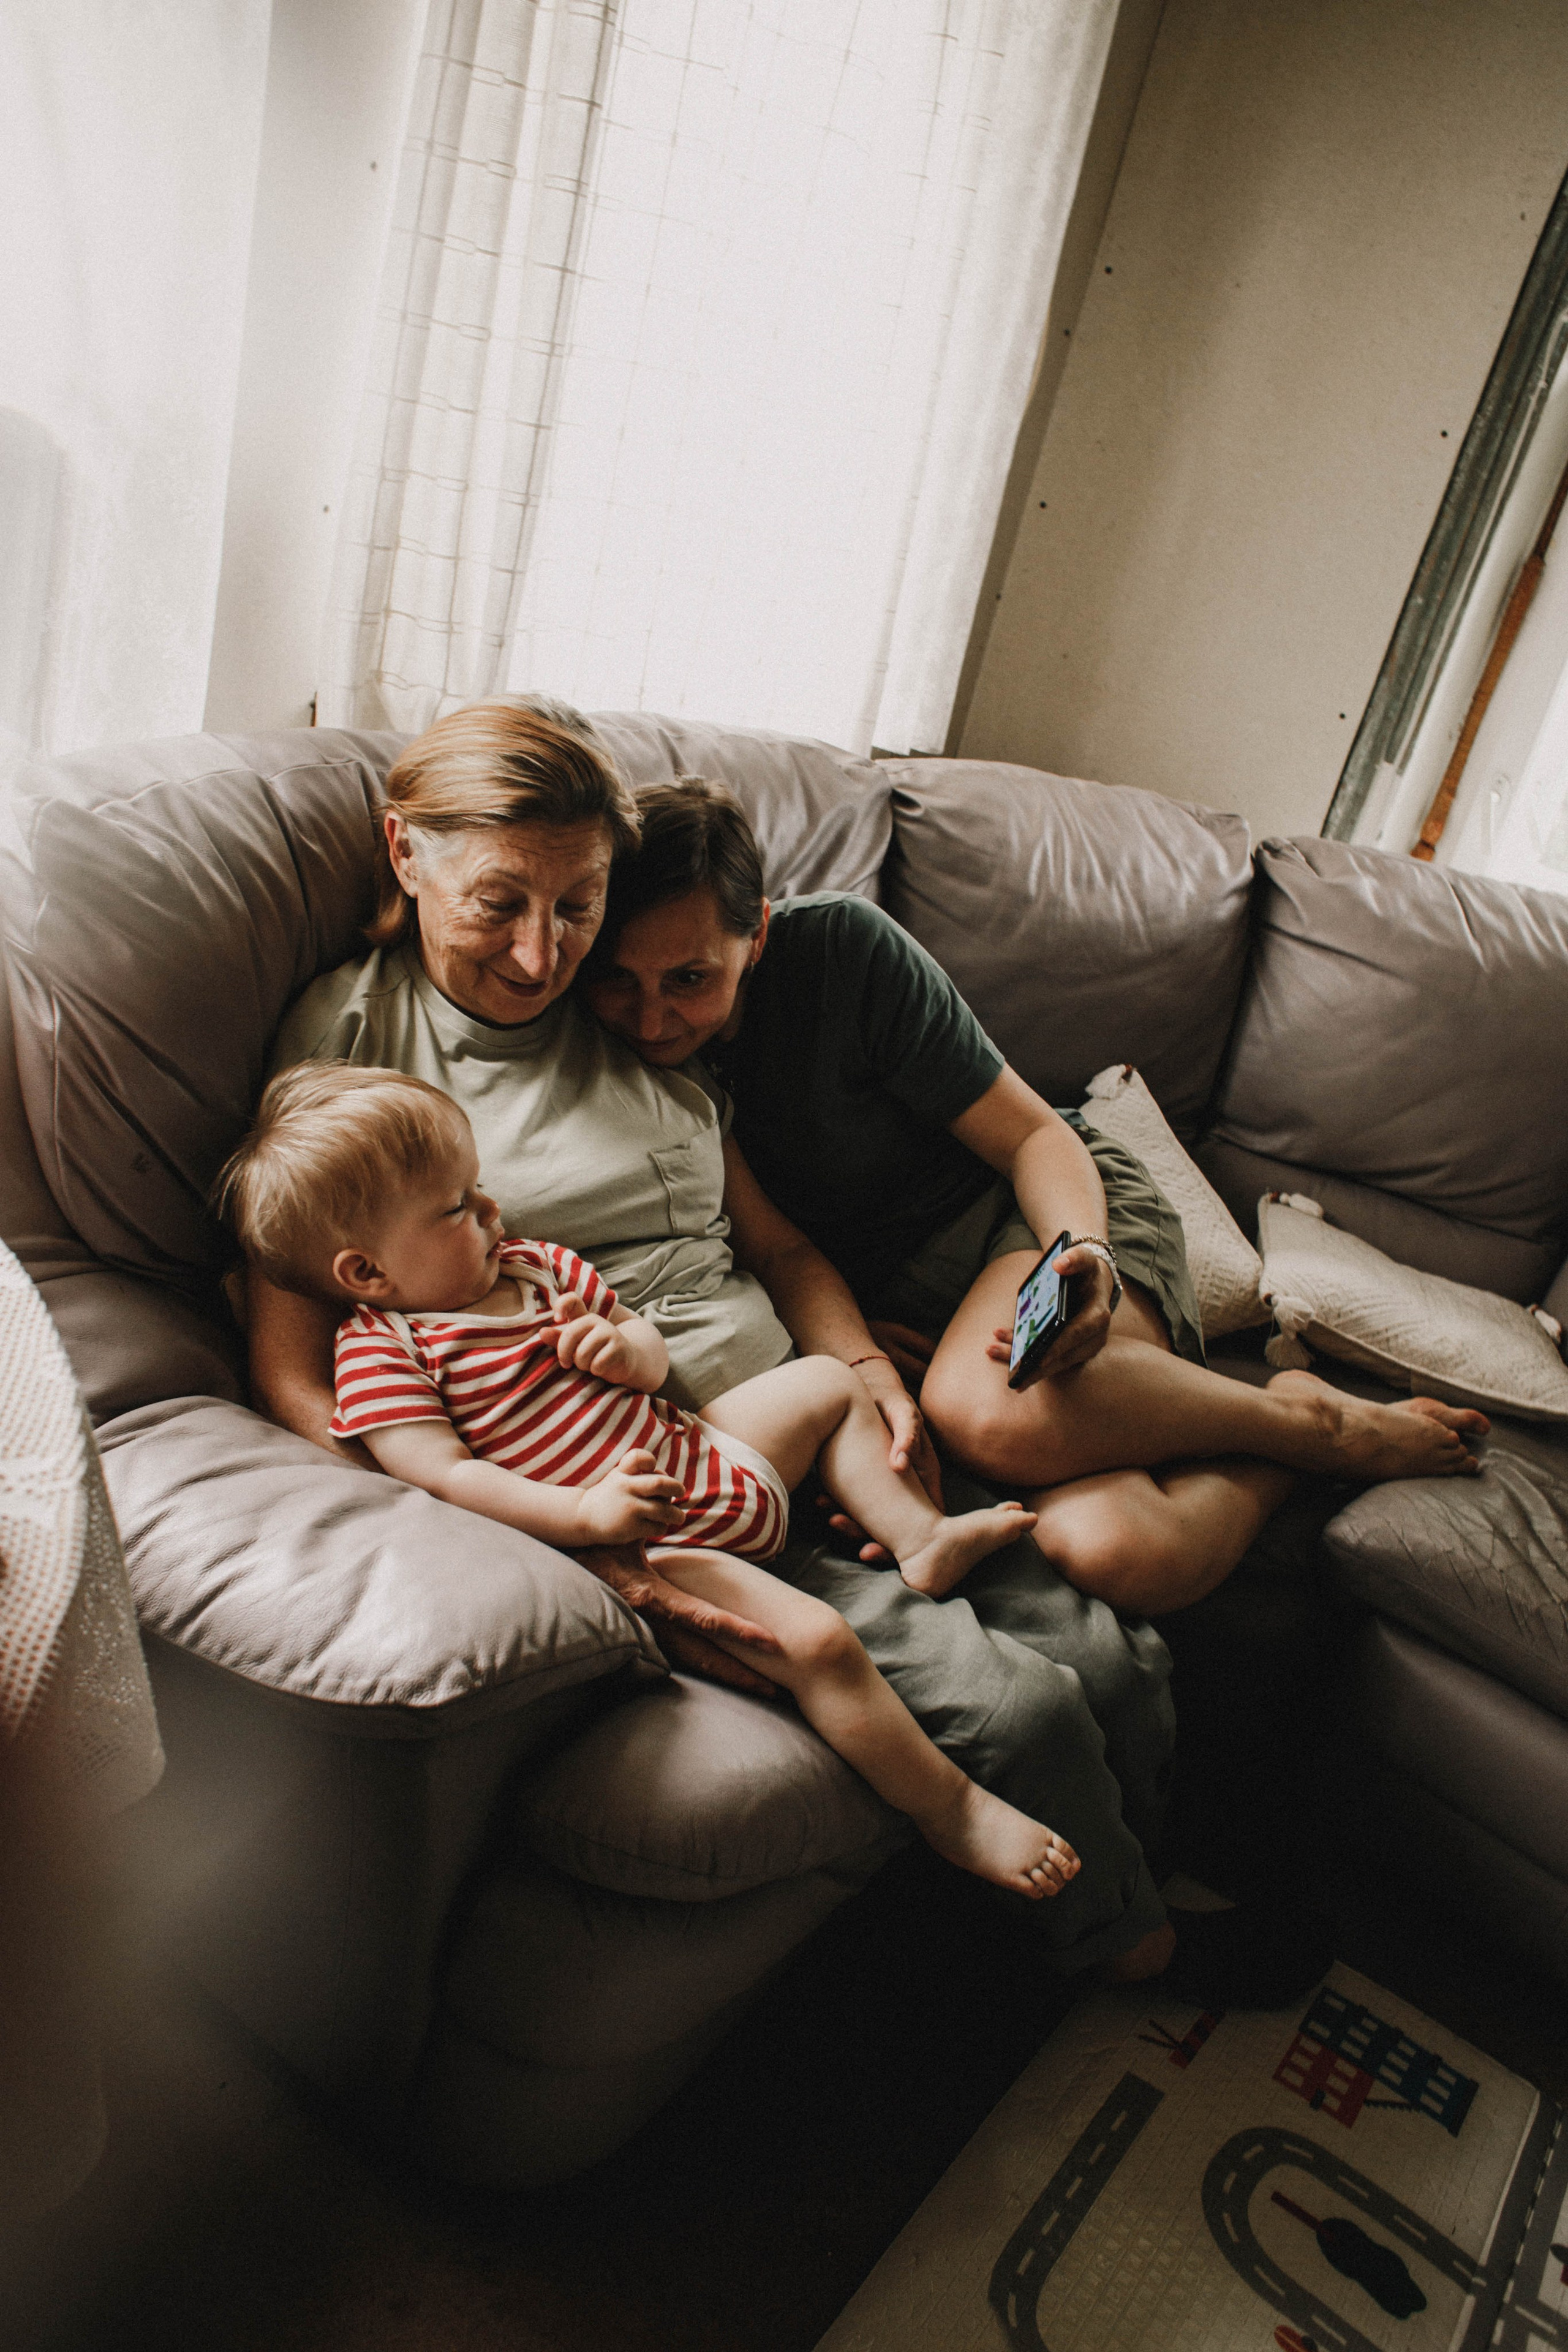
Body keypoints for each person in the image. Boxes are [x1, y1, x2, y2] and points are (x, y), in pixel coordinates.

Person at [243, 695, 1336, 2003]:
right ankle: (1127, 1947)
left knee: (1113, 1647)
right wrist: (554, 1527)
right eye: (498, 904)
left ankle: (1129, 1881)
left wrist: (870, 1386)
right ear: (404, 852)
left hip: (805, 1418)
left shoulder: (632, 1012)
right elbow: (305, 1356)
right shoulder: (358, 1043)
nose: (542, 957)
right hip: (660, 1472)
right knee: (1026, 1707)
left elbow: (778, 1250)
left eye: (576, 906)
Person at [580, 776, 1488, 1621]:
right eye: (621, 978)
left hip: (1036, 1212)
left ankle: (1317, 1424)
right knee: (1125, 1552)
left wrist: (1080, 1256)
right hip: (912, 1306)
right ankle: (1286, 1435)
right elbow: (781, 1252)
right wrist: (862, 1361)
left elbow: (1034, 1138)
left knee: (986, 1408)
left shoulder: (843, 952)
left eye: (691, 979)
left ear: (759, 936)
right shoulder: (625, 1058)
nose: (654, 1017)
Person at [219, 1061, 1075, 1901]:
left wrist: (626, 1352)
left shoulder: (532, 1266)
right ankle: (953, 1808)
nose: (493, 1209)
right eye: (458, 1207)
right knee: (816, 1646)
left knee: (828, 1384)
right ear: (367, 1274)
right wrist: (585, 1515)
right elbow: (444, 1478)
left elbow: (645, 1346)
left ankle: (919, 1539)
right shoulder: (384, 1354)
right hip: (648, 1540)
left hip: (700, 1451)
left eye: (479, 1188)